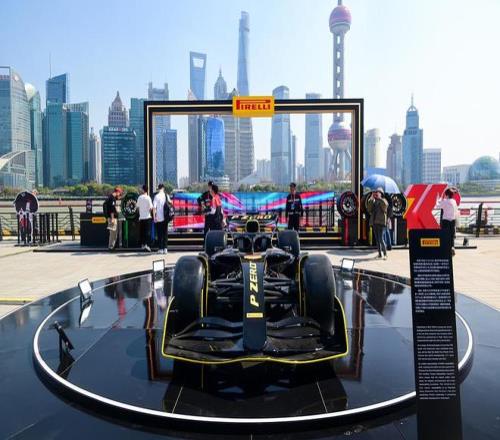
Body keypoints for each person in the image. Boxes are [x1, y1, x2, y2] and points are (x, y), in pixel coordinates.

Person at [366, 188, 389, 260]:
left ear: (381, 194)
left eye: (377, 192)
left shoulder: (384, 200)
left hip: (381, 222)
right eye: (375, 192)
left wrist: (380, 198)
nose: (376, 193)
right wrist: (371, 199)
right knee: (377, 239)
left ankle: (385, 254)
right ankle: (379, 254)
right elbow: (369, 209)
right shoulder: (374, 201)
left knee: (381, 239)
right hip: (374, 222)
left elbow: (385, 207)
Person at [438, 188, 459, 256]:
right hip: (452, 220)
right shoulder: (454, 201)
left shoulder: (445, 201)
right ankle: (452, 247)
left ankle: (445, 249)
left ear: (446, 195)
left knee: (444, 235)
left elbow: (438, 205)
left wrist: (441, 199)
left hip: (445, 221)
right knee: (451, 236)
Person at [153, 183, 171, 254]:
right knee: (165, 233)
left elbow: (154, 208)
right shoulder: (166, 195)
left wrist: (154, 217)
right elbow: (170, 203)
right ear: (163, 188)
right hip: (165, 217)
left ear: (158, 188)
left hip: (158, 217)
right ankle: (165, 248)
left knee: (159, 233)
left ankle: (160, 249)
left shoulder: (156, 196)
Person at [137, 184, 153, 252]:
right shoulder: (148, 198)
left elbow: (137, 208)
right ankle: (147, 245)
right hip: (147, 217)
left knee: (142, 232)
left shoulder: (139, 197)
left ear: (143, 190)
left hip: (141, 217)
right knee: (147, 232)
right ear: (147, 190)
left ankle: (143, 245)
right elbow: (151, 208)